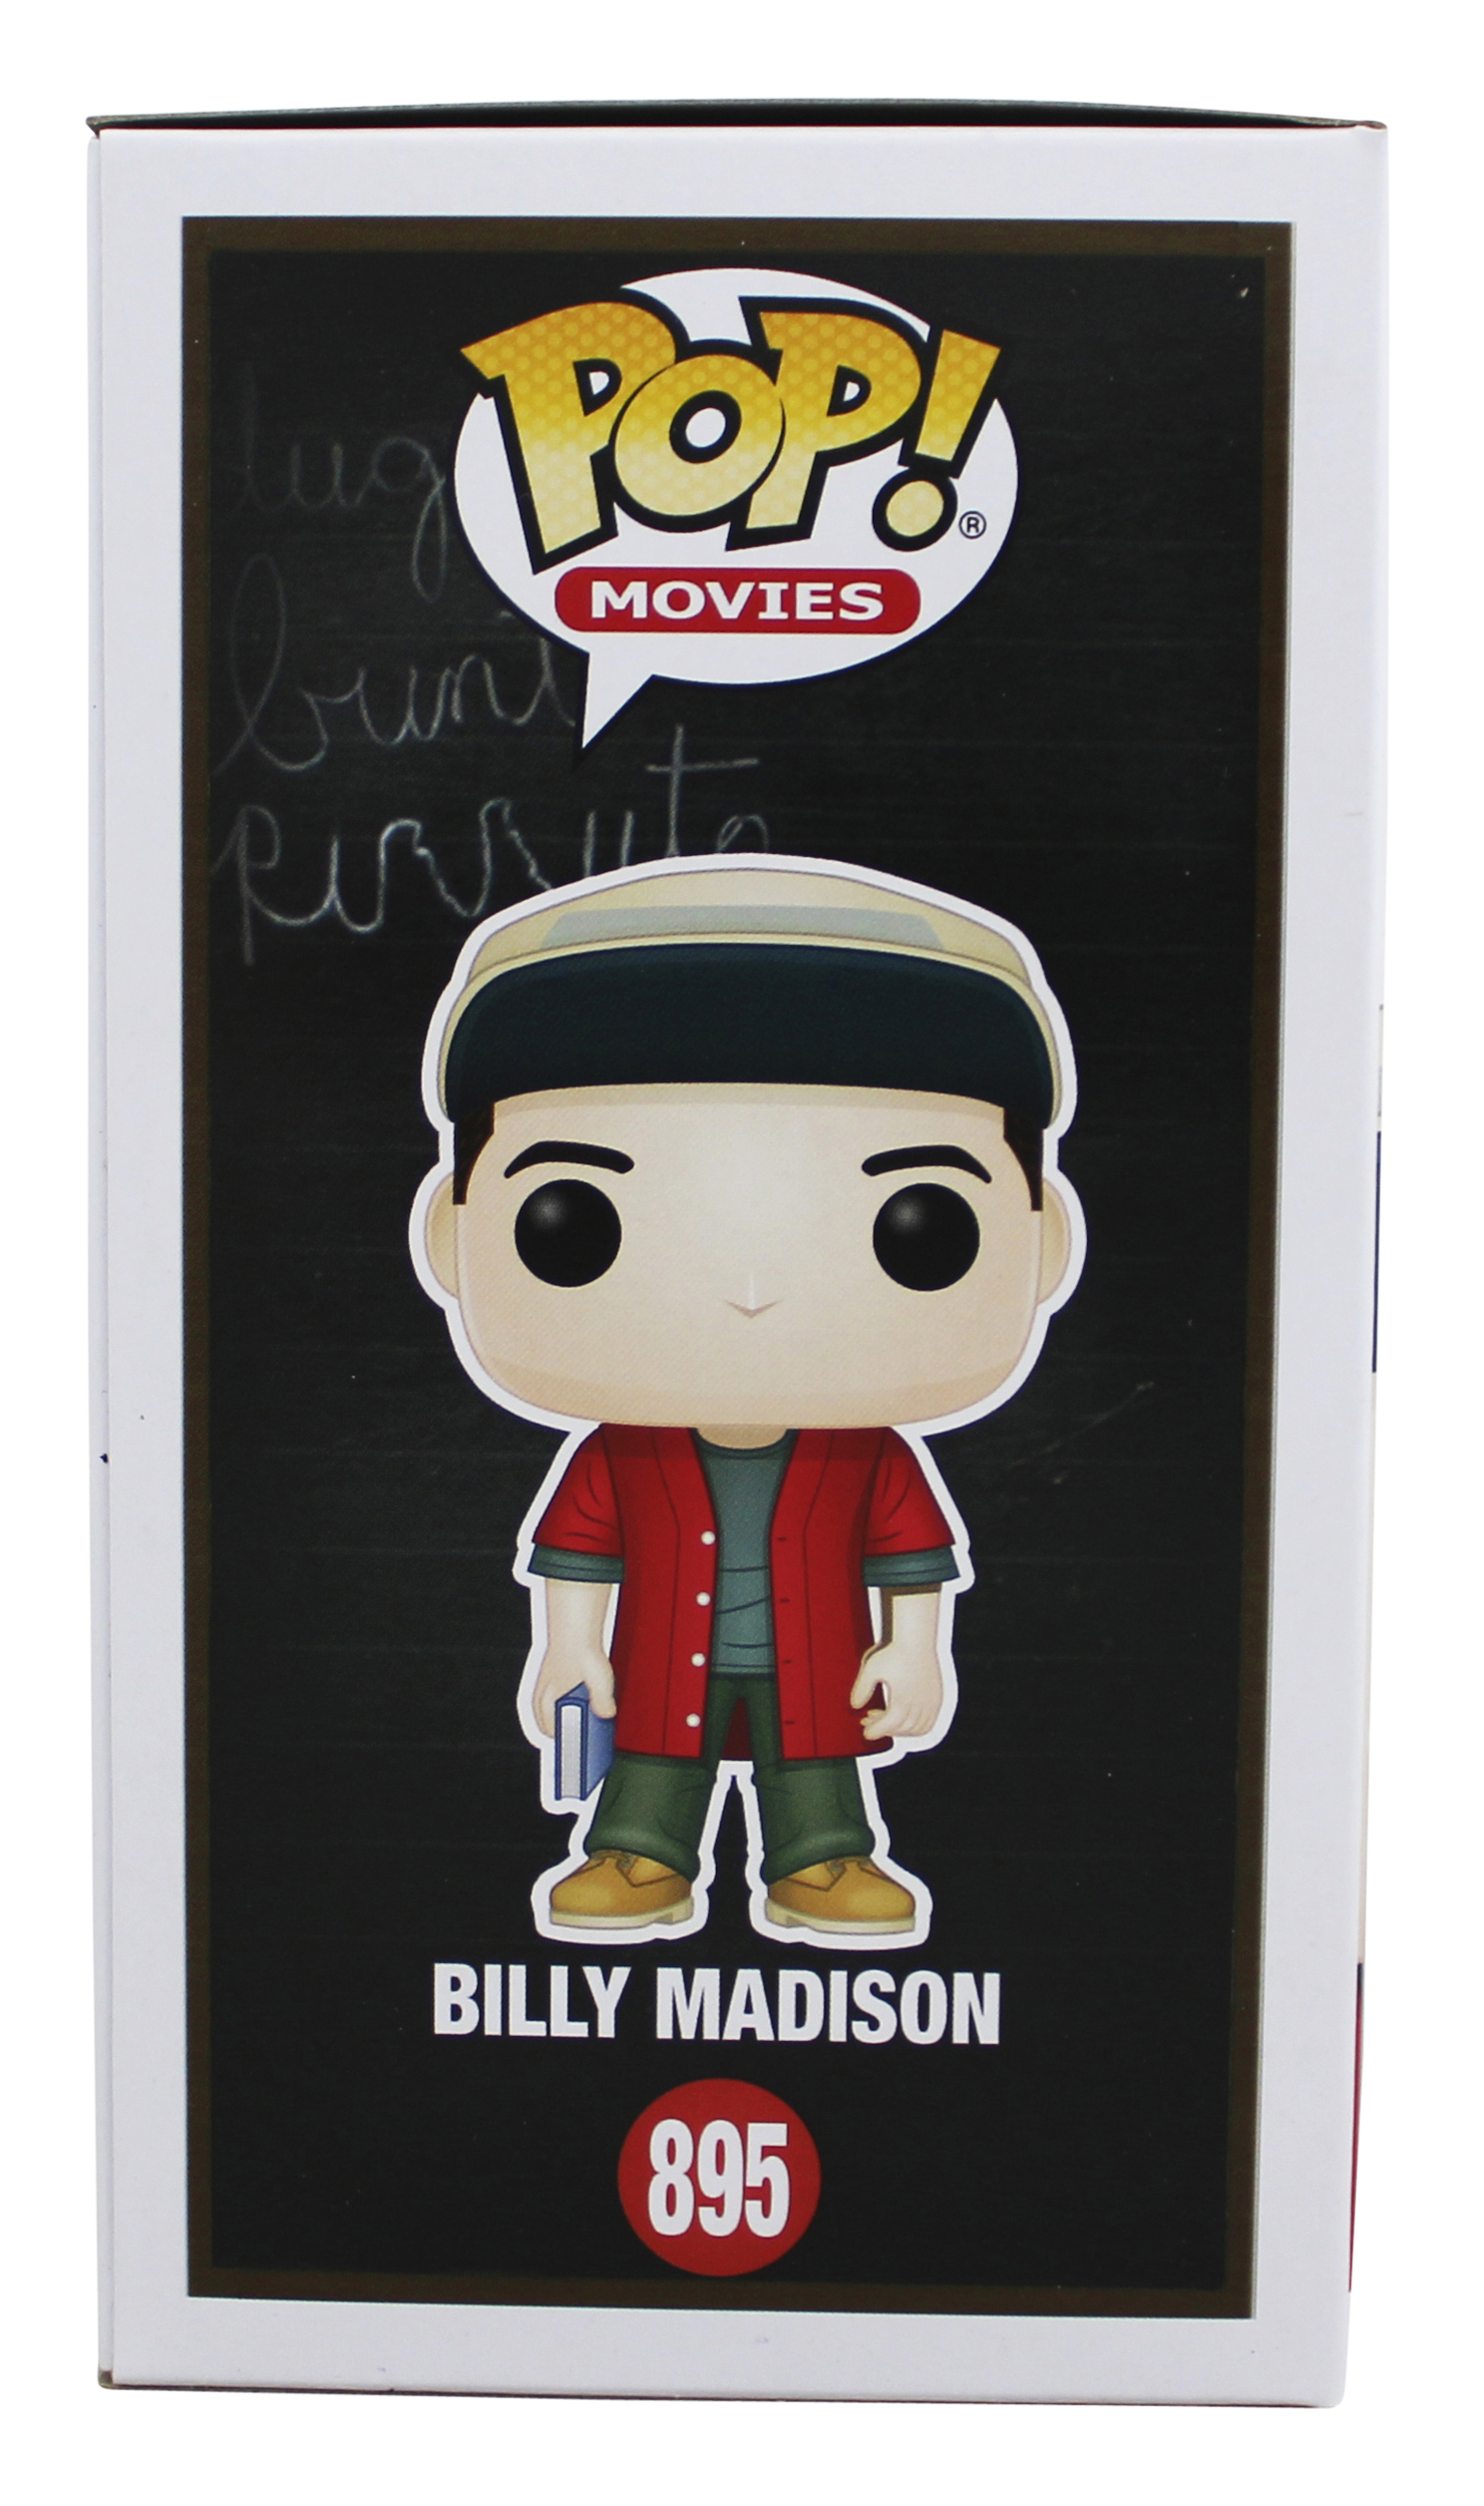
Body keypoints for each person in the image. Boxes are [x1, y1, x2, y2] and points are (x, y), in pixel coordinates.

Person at [413, 856, 1079, 1942]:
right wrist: (569, 1648)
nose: (752, 1292)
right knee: (651, 1763)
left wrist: (915, 1648)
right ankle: (639, 1853)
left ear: (1043, 1245)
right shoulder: (619, 1452)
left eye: (922, 1229)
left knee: (814, 1768)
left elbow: (909, 1560)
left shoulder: (868, 1454)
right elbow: (579, 1557)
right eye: (573, 1222)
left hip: (815, 1664)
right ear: (453, 1235)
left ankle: (822, 1861)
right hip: (656, 1662)